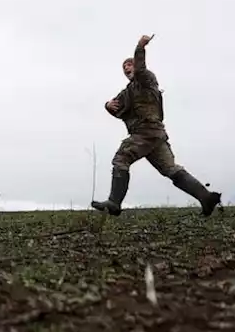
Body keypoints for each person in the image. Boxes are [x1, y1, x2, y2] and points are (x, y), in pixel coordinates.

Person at [94, 34, 221, 217]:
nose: (126, 68)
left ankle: (114, 203)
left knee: (121, 159)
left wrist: (140, 47)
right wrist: (107, 106)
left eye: (129, 64)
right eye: (124, 67)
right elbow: (117, 107)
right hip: (155, 136)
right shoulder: (129, 91)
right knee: (170, 169)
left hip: (146, 132)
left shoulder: (146, 79)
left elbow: (140, 67)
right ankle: (207, 198)